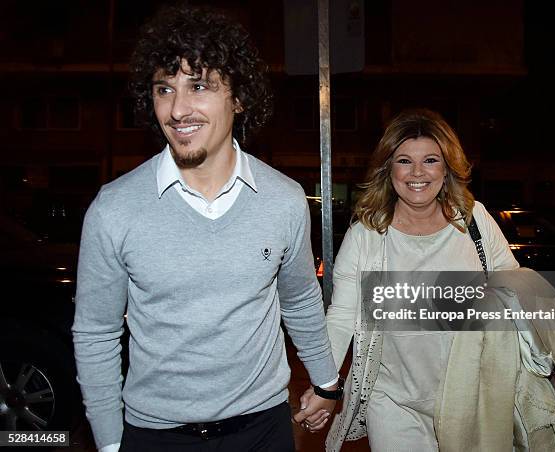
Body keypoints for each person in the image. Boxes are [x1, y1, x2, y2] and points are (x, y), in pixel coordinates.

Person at [72, 5, 339, 452]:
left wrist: (328, 382)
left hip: (264, 430)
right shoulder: (114, 209)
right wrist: (109, 444)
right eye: (164, 89)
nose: (178, 109)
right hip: (155, 436)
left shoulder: (284, 199)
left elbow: (299, 301)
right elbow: (96, 333)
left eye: (199, 86)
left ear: (238, 97)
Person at [301, 108, 522, 449]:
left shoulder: (473, 221)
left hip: (473, 398)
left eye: (431, 160)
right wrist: (324, 385)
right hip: (392, 402)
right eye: (404, 161)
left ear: (447, 167)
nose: (417, 172)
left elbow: (511, 284)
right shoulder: (367, 233)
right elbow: (343, 316)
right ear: (388, 168)